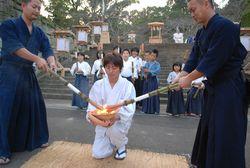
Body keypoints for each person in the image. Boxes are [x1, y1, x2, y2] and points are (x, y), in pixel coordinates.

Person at [173, 0, 248, 167]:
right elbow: (194, 58)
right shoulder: (201, 33)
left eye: (193, 10)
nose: (192, 14)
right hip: (214, 89)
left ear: (206, 3)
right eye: (190, 11)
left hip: (230, 90)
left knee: (226, 133)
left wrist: (189, 79)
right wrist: (182, 74)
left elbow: (213, 59)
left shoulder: (226, 27)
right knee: (211, 130)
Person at [0, 0, 56, 165]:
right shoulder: (8, 25)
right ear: (23, 6)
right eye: (34, 6)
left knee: (34, 106)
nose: (37, 10)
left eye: (39, 8)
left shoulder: (38, 32)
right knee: (6, 110)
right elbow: (15, 47)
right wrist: (36, 58)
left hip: (27, 74)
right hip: (9, 72)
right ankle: (2, 149)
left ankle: (34, 140)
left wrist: (51, 61)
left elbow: (47, 48)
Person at [86, 54, 136, 160]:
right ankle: (111, 142)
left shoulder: (127, 86)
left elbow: (129, 109)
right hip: (102, 121)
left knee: (114, 130)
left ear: (120, 69)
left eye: (114, 68)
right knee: (98, 154)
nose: (110, 71)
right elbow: (91, 109)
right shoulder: (98, 85)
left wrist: (114, 116)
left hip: (118, 122)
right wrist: (100, 121)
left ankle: (121, 146)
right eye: (108, 67)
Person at [142, 49, 161, 114]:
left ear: (156, 57)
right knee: (146, 94)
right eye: (151, 55)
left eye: (154, 56)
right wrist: (144, 74)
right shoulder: (146, 63)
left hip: (153, 81)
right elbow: (143, 70)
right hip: (147, 80)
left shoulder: (157, 64)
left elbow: (157, 71)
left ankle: (154, 109)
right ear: (149, 56)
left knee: (153, 94)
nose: (152, 57)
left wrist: (149, 72)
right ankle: (145, 109)